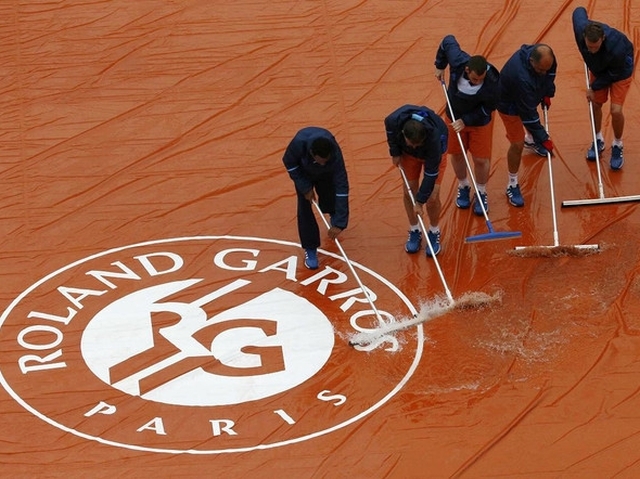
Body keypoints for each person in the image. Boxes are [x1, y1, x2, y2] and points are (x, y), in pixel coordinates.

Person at [434, 34, 500, 216]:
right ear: (467, 69)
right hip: (454, 117)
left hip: (479, 122)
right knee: (456, 153)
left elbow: (489, 108)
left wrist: (466, 121)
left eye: (481, 79)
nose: (478, 82)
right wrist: (440, 65)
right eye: (475, 79)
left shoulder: (493, 81)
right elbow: (446, 40)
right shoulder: (457, 60)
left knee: (480, 159)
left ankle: (481, 191)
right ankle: (463, 185)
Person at [572, 7, 634, 170]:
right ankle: (598, 139)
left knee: (615, 110)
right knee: (595, 104)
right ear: (584, 37)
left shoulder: (617, 48)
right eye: (589, 47)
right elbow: (578, 12)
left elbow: (613, 74)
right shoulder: (581, 29)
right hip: (599, 68)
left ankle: (617, 144)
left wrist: (593, 86)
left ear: (603, 38)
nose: (591, 50)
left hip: (620, 70)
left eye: (595, 47)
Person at [497, 44, 557, 207]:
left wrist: (547, 92)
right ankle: (512, 184)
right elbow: (528, 114)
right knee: (517, 143)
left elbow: (549, 75)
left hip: (527, 95)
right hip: (508, 104)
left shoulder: (547, 60)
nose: (544, 72)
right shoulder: (520, 77)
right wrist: (543, 138)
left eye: (547, 68)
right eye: (540, 70)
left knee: (531, 124)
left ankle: (532, 141)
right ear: (531, 61)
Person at [384, 104, 448, 256]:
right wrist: (395, 152)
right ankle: (415, 229)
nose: (413, 146)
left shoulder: (435, 140)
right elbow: (390, 131)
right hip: (408, 156)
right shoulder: (394, 121)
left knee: (432, 197)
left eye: (416, 144)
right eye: (410, 142)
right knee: (409, 191)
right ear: (404, 134)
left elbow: (431, 174)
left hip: (432, 157)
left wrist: (420, 202)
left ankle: (434, 231)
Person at [282, 127, 349, 270]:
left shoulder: (334, 153)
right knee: (304, 207)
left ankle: (333, 215)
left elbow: (342, 186)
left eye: (326, 161)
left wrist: (340, 222)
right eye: (320, 161)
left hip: (326, 175)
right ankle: (310, 248)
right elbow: (290, 163)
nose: (323, 163)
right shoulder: (298, 144)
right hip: (304, 174)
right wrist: (305, 187)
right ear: (312, 154)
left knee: (330, 195)